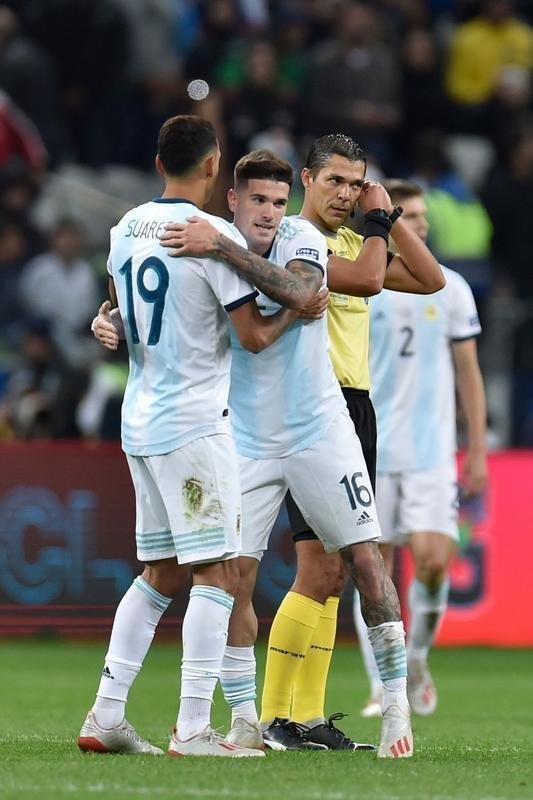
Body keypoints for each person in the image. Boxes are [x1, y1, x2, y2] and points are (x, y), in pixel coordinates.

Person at [159, 135, 445, 757]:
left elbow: (423, 278)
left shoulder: (323, 243)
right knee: (266, 572)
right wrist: (115, 316)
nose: (344, 194)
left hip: (332, 415)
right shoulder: (279, 230)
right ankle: (263, 716)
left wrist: (384, 216)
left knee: (351, 566)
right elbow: (171, 292)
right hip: (269, 422)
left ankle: (376, 712)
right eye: (334, 182)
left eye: (355, 184)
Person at [78, 116, 321, 758]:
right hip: (193, 423)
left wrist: (110, 322)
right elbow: (252, 336)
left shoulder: (125, 227)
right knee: (215, 571)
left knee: (160, 572)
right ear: (214, 168)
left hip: (141, 419)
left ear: (160, 164)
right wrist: (301, 307)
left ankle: (106, 714)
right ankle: (193, 727)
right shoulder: (210, 234)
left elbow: (120, 303)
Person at [353, 179, 487, 717]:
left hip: (432, 449)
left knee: (433, 563)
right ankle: (381, 685)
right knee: (373, 571)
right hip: (375, 447)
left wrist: (476, 447)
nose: (422, 225)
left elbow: (468, 372)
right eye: (411, 216)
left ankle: (417, 662)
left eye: (426, 218)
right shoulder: (368, 282)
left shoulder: (450, 287)